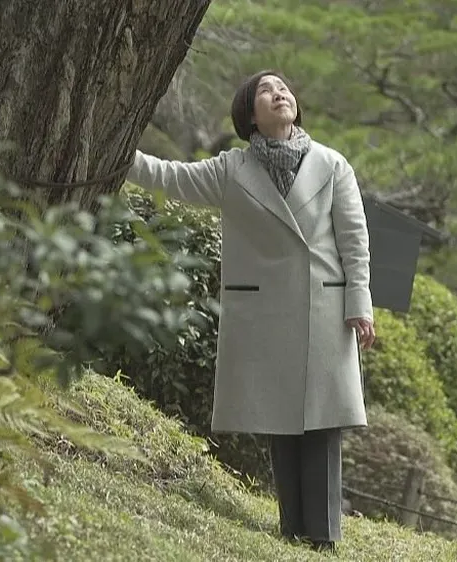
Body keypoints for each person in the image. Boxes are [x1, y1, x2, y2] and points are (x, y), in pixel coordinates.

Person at [126, 70, 375, 553]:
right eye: (266, 90)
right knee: (280, 417)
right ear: (249, 115)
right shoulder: (231, 170)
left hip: (323, 306)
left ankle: (321, 534)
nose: (279, 93)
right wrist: (115, 147)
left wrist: (359, 303)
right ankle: (292, 527)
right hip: (267, 312)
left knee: (323, 420)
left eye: (284, 88)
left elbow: (354, 240)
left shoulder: (332, 164)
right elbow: (168, 176)